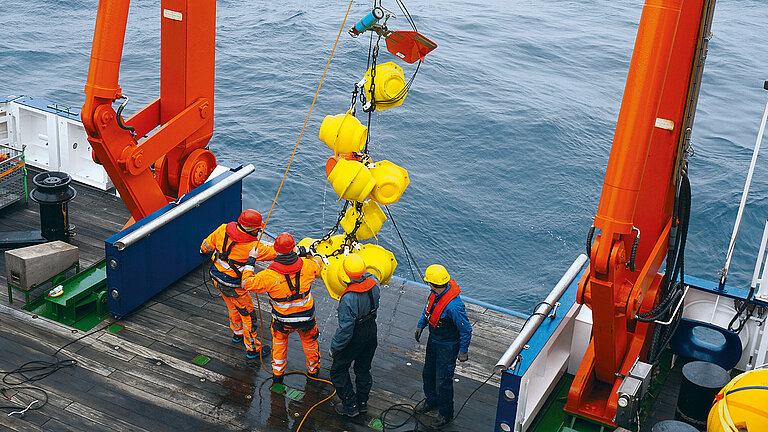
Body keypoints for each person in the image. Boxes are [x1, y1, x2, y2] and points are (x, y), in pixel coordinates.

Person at [241, 232, 322, 383]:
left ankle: (278, 374)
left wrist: (251, 260)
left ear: (276, 251)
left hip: (282, 321)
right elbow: (318, 264)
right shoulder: (308, 266)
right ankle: (313, 371)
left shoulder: (268, 276)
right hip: (307, 320)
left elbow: (246, 283)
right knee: (310, 343)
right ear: (293, 249)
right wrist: (313, 253)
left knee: (279, 345)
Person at [200, 209, 275, 360]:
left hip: (216, 278)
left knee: (232, 307)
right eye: (258, 229)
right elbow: (275, 252)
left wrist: (205, 251)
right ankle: (252, 348)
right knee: (248, 315)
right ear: (253, 229)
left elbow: (205, 247)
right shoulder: (253, 247)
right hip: (235, 287)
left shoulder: (223, 229)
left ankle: (237, 333)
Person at [413, 264, 472, 428]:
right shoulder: (434, 295)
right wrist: (420, 325)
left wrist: (463, 351)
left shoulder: (454, 306)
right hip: (434, 341)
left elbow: (466, 329)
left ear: (432, 284)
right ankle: (431, 401)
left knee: (443, 381)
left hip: (447, 347)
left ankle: (446, 413)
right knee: (428, 374)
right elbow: (428, 311)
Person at [329, 255, 381, 418]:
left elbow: (345, 329)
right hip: (371, 329)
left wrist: (335, 347)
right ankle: (363, 403)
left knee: (338, 370)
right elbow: (373, 277)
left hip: (355, 335)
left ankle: (350, 405)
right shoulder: (375, 284)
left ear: (345, 272)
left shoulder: (348, 298)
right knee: (363, 368)